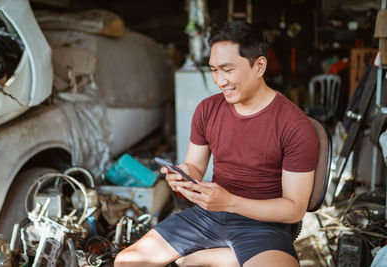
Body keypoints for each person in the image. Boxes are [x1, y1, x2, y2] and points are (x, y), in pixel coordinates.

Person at [114, 21, 318, 267]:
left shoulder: (294, 124)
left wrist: (230, 202)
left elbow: (294, 210)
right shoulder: (207, 109)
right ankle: (220, 258)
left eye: (227, 69)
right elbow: (194, 167)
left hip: (264, 227)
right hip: (207, 216)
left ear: (259, 66)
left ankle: (214, 258)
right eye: (213, 70)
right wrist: (183, 176)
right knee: (126, 262)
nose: (219, 81)